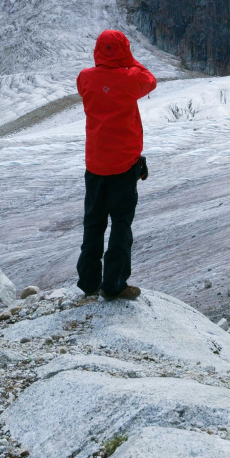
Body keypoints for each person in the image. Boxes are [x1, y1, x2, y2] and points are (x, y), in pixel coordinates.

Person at [76, 28, 156, 300]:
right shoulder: (131, 78)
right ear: (124, 51)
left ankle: (89, 282)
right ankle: (114, 284)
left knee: (93, 223)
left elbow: (89, 87)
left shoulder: (85, 78)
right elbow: (150, 79)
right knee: (121, 224)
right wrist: (128, 60)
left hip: (95, 165)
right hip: (123, 166)